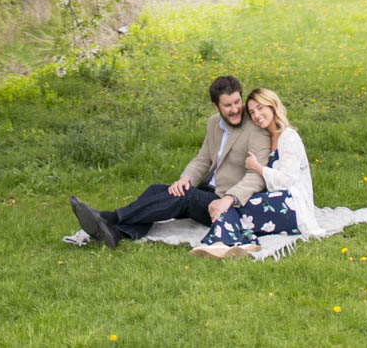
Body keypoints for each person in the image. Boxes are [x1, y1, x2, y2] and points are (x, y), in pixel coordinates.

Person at [69, 74, 271, 248]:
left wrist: (228, 199)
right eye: (228, 105)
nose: (235, 109)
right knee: (157, 191)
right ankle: (116, 233)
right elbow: (202, 159)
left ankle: (108, 217)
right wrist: (185, 179)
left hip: (229, 203)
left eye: (237, 102)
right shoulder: (213, 123)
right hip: (206, 191)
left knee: (185, 196)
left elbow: (257, 177)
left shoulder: (255, 131)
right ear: (216, 105)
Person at [191, 86, 313, 257]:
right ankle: (240, 243)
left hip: (294, 204)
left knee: (232, 203)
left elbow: (287, 181)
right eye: (252, 112)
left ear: (273, 106)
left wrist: (258, 168)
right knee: (235, 203)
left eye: (260, 108)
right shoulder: (267, 138)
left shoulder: (288, 137)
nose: (256, 115)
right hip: (275, 200)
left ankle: (220, 240)